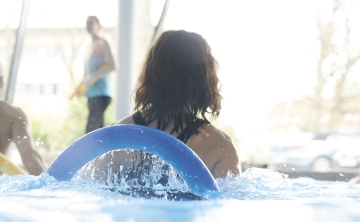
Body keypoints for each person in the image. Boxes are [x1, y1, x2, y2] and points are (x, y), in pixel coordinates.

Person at [114, 30, 241, 179]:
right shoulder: (220, 147)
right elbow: (231, 198)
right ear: (204, 81)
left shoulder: (117, 135)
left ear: (151, 75)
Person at [70, 16, 116, 133]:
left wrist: (93, 76)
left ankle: (89, 150)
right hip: (91, 93)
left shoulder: (102, 43)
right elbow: (88, 73)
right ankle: (105, 151)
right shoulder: (90, 46)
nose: (88, 26)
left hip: (101, 93)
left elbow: (113, 66)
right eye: (87, 23)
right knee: (98, 129)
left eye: (91, 23)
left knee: (91, 130)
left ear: (98, 26)